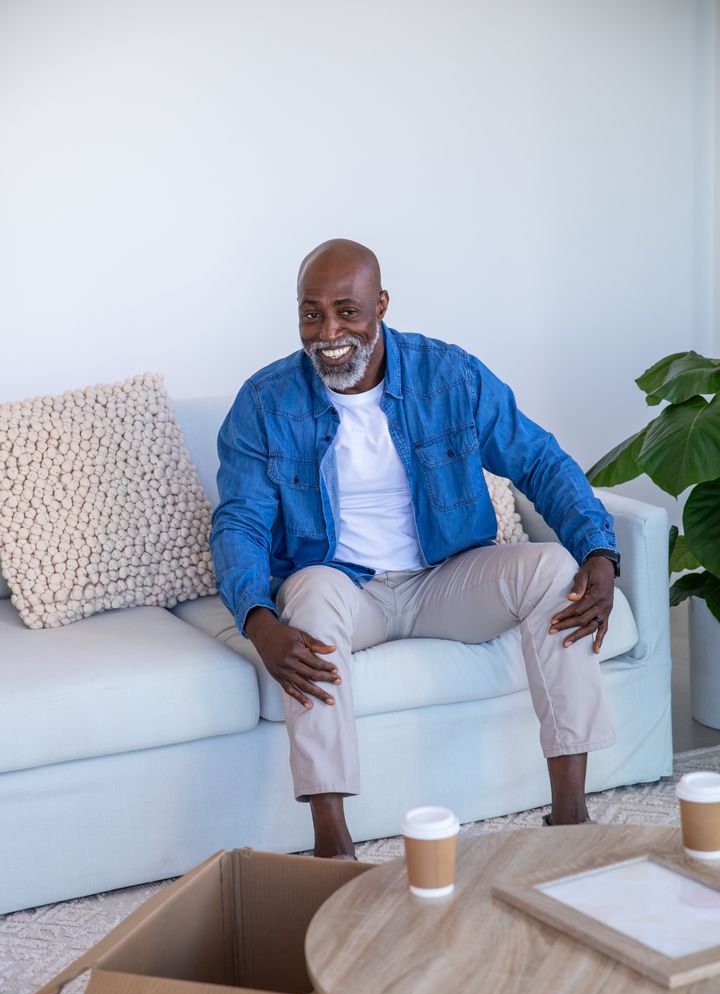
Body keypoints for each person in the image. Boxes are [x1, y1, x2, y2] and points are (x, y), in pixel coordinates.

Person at [210, 239, 620, 859]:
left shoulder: (449, 376)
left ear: (381, 305)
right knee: (314, 594)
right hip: (346, 589)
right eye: (311, 313)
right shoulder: (266, 403)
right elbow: (238, 521)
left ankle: (569, 819)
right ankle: (333, 849)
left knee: (554, 569)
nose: (328, 332)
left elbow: (538, 459)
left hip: (443, 579)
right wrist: (258, 619)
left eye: (347, 311)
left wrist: (598, 551)